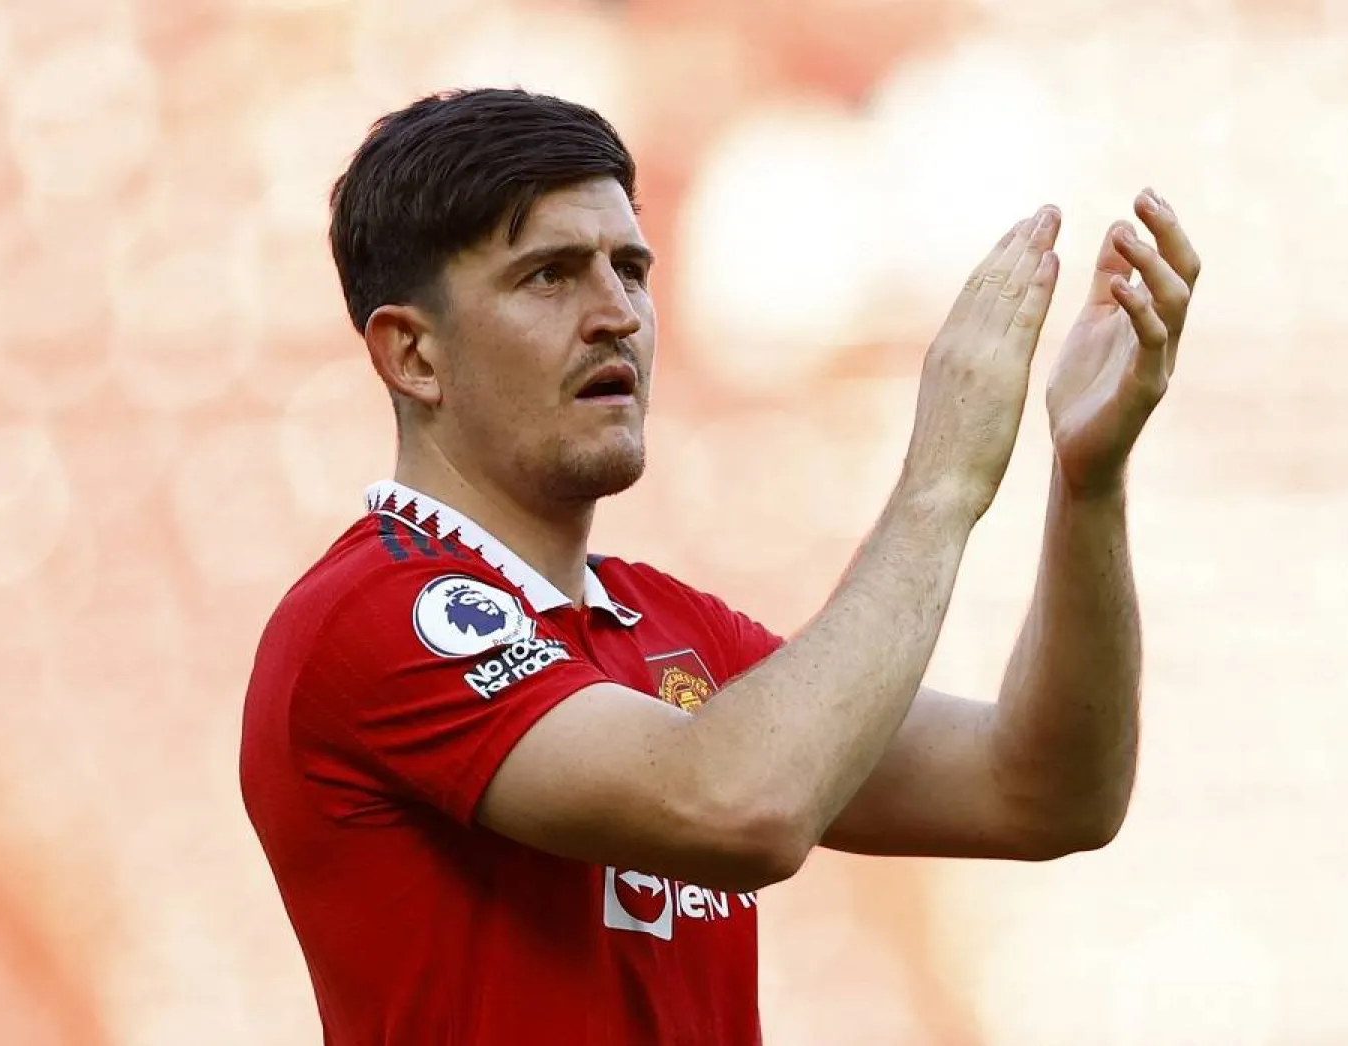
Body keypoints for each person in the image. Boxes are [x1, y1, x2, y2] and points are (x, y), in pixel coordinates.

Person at [239, 87, 1200, 1045]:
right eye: (549, 276)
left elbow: (1042, 794)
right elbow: (742, 806)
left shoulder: (668, 629)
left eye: (631, 269)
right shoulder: (375, 614)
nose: (616, 314)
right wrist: (940, 481)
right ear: (413, 355)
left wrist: (1089, 481)